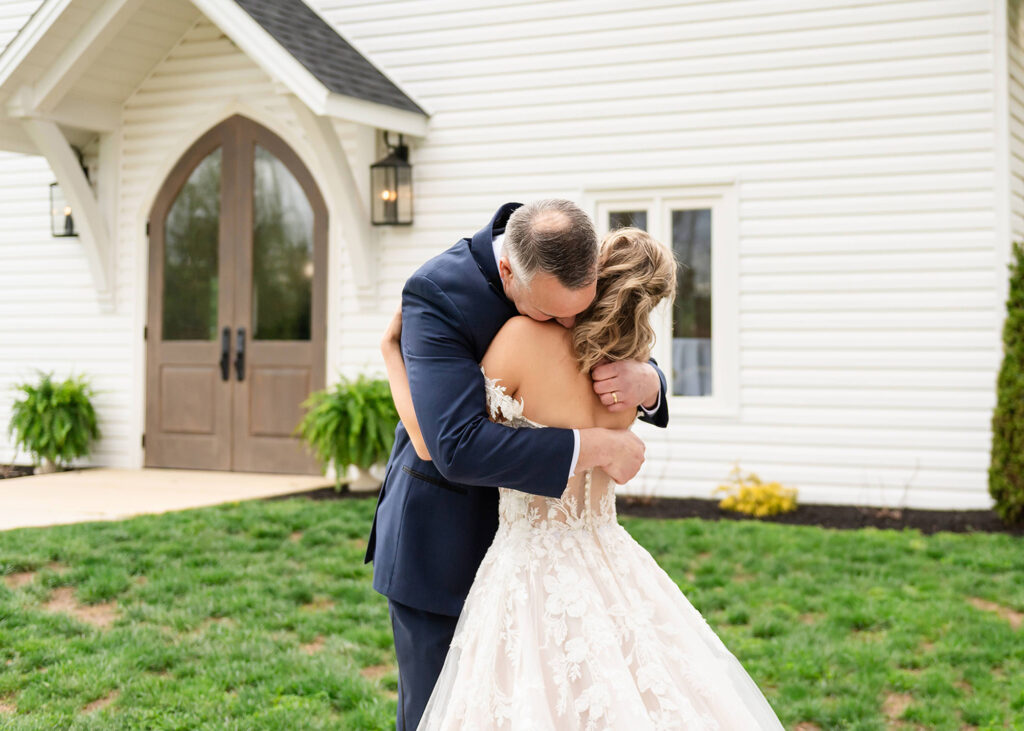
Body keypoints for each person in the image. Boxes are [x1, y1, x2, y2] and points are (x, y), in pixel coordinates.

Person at [404, 227, 787, 729]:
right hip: (609, 558)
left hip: (529, 564)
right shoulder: (626, 370)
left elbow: (441, 444)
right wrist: (645, 385)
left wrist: (392, 352)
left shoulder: (521, 339)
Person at [366, 200, 672, 729]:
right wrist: (596, 445)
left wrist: (650, 382)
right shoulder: (437, 292)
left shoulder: (564, 248)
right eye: (553, 314)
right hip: (443, 542)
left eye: (581, 307)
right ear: (508, 271)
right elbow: (450, 446)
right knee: (439, 712)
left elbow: (614, 329)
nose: (572, 325)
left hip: (552, 561)